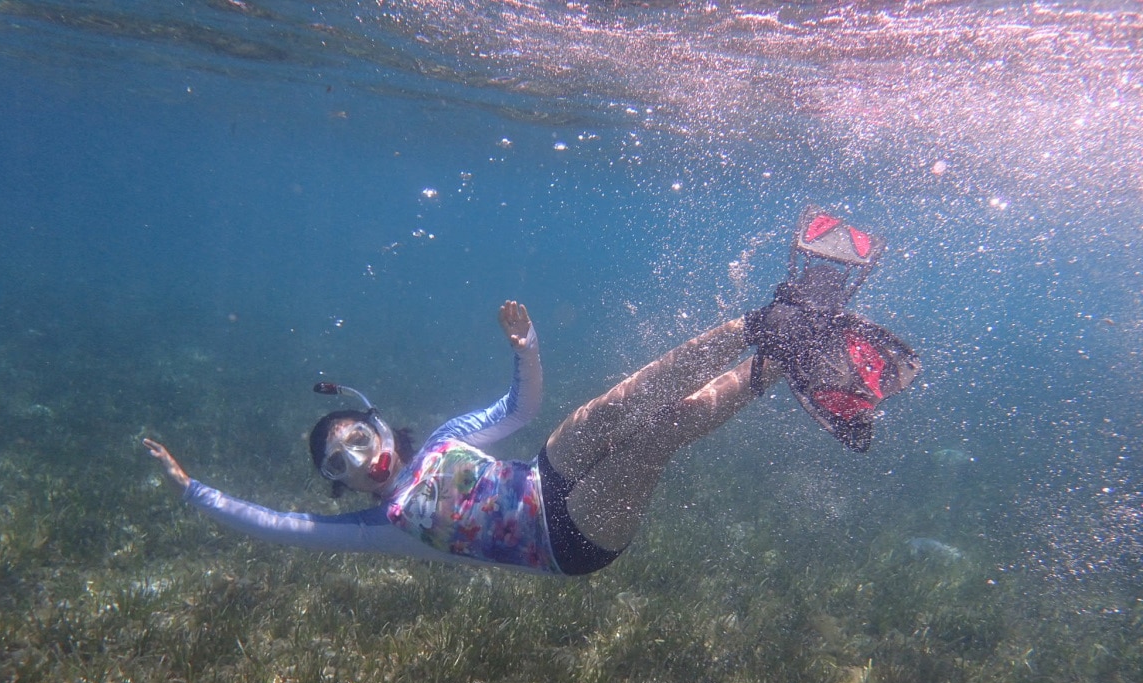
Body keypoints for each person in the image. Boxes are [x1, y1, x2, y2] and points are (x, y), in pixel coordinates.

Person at [145, 207, 920, 576]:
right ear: (339, 484)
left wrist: (526, 348)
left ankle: (768, 325)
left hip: (546, 476)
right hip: (570, 541)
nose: (356, 456)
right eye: (340, 465)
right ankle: (777, 364)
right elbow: (283, 527)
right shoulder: (381, 525)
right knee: (655, 435)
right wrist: (194, 494)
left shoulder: (446, 438)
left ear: (379, 429)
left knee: (611, 409)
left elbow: (520, 410)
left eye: (355, 438)